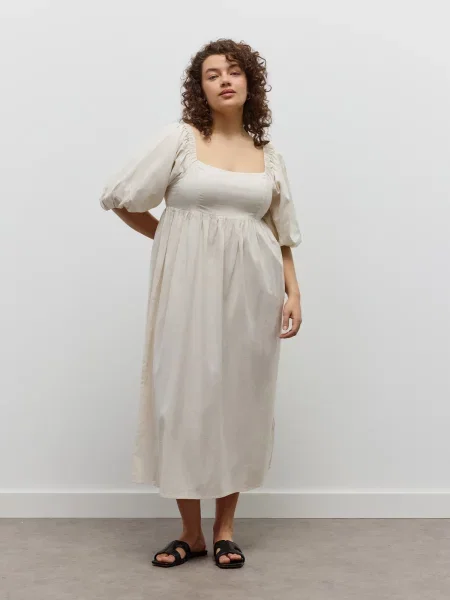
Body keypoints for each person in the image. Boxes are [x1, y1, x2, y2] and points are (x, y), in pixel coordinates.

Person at [99, 38, 303, 569]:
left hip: (253, 289)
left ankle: (225, 530)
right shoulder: (180, 139)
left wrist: (293, 291)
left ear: (250, 83)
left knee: (239, 398)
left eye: (234, 71)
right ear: (200, 88)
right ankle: (189, 532)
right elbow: (121, 197)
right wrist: (172, 237)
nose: (224, 80)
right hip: (187, 287)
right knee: (184, 396)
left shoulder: (268, 154)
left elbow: (280, 229)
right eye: (212, 74)